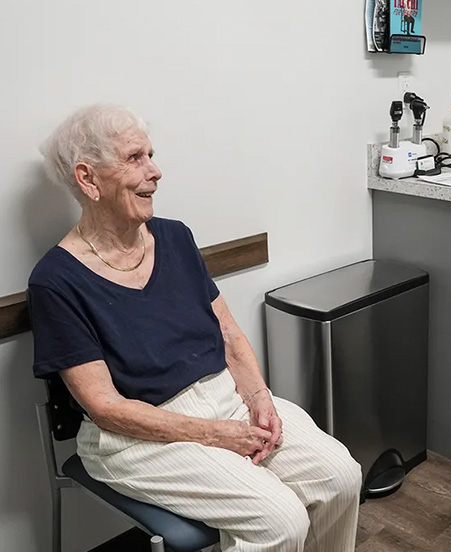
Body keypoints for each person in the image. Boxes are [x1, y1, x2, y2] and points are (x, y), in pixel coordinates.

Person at [28, 105, 362, 552]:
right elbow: (105, 407)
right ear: (88, 179)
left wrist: (258, 396)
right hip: (137, 437)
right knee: (279, 521)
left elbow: (228, 334)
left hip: (225, 400)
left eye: (151, 155)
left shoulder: (175, 238)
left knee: (341, 476)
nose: (155, 171)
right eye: (135, 158)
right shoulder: (56, 281)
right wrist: (214, 435)